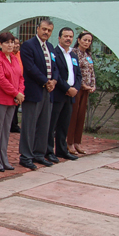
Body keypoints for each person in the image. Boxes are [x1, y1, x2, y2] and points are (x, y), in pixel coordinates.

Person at [19, 19, 59, 170]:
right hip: (34, 90)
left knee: (44, 124)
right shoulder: (29, 45)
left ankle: (39, 154)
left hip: (48, 91)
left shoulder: (50, 47)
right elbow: (30, 67)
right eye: (43, 29)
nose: (46, 32)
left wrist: (54, 80)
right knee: (29, 125)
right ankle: (26, 156)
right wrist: (45, 81)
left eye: (49, 30)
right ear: (38, 28)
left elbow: (55, 66)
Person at [0, 32, 25, 172]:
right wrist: (16, 93)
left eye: (12, 42)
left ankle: (4, 159)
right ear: (0, 44)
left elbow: (20, 77)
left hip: (12, 99)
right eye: (7, 42)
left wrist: (20, 92)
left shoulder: (14, 58)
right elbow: (1, 80)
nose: (10, 45)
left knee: (5, 131)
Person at [46, 28, 82, 163]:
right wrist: (67, 88)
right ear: (59, 38)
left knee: (64, 124)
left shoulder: (73, 55)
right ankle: (49, 151)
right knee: (52, 124)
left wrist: (75, 88)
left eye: (70, 36)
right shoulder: (54, 53)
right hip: (59, 93)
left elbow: (78, 74)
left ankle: (62, 150)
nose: (68, 39)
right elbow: (56, 74)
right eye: (65, 36)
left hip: (71, 94)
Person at [67, 31, 96, 155]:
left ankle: (77, 142)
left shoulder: (88, 55)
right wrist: (81, 85)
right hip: (77, 88)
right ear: (78, 40)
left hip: (86, 89)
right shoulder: (74, 53)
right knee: (73, 115)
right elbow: (74, 71)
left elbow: (91, 71)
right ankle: (69, 142)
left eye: (89, 41)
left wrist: (93, 85)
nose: (87, 43)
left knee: (81, 116)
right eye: (85, 40)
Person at [10, 37, 22, 133]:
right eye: (15, 43)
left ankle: (14, 124)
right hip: (11, 84)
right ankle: (12, 125)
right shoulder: (9, 56)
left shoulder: (20, 55)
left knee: (17, 105)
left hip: (20, 83)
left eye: (18, 43)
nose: (17, 45)